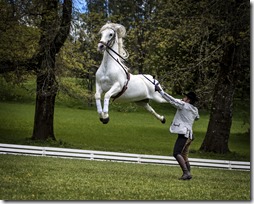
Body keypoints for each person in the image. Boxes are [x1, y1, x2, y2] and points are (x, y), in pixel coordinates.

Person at [155, 84, 199, 180]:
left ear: (188, 100)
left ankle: (186, 173)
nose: (183, 98)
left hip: (184, 134)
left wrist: (160, 91)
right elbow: (197, 118)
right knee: (184, 155)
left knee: (176, 153)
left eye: (185, 97)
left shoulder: (183, 105)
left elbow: (171, 100)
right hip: (190, 135)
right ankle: (188, 174)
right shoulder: (195, 109)